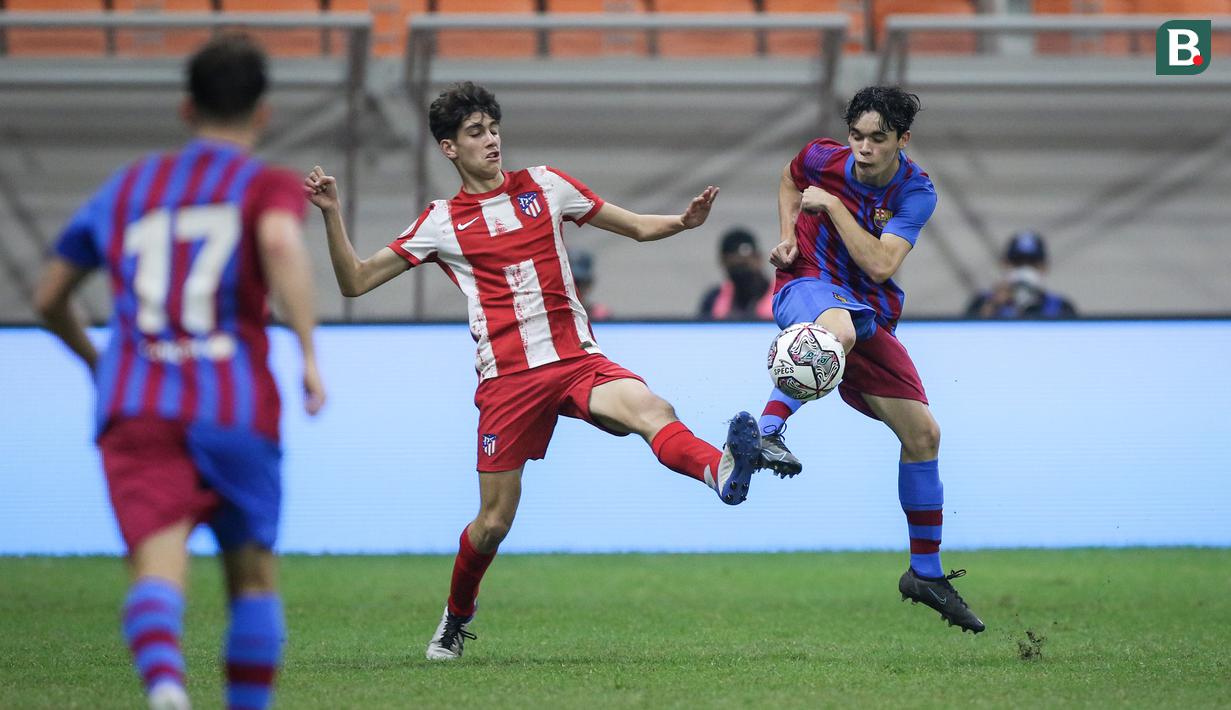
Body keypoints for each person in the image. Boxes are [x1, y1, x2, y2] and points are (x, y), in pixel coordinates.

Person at [302, 81, 762, 661]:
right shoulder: (442, 221)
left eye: (493, 128)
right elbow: (355, 282)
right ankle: (455, 618)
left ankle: (719, 472)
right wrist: (332, 215)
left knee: (652, 411)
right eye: (475, 133)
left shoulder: (546, 185)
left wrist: (684, 221)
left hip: (576, 360)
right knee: (493, 523)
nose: (491, 140)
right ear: (449, 148)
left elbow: (637, 226)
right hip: (509, 382)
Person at [33, 35, 325, 710]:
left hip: (139, 403)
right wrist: (308, 353)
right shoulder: (263, 185)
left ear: (185, 108)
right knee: (252, 579)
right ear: (263, 114)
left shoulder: (130, 186)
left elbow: (49, 296)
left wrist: (95, 358)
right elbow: (281, 242)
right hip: (235, 403)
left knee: (158, 573)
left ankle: (165, 685)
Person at [757, 86, 985, 633]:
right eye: (856, 135)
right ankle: (767, 429)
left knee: (923, 435)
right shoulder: (821, 156)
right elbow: (790, 179)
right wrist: (788, 237)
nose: (862, 148)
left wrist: (832, 205)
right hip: (806, 286)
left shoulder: (917, 192)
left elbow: (882, 264)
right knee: (835, 324)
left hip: (869, 313)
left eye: (876, 139)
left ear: (902, 140)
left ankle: (924, 574)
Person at [965, 230, 1077, 318]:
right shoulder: (982, 302)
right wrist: (993, 305)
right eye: (1017, 263)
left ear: (1044, 267)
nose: (1024, 269)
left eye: (1032, 264)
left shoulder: (1061, 307)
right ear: (1005, 265)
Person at [697, 227, 774, 320]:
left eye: (745, 265)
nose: (742, 274)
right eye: (736, 267)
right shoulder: (713, 299)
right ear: (723, 263)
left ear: (758, 258)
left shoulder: (783, 296)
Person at [568, 248, 611, 320]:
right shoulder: (548, 315)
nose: (574, 288)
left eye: (578, 283)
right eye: (568, 282)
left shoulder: (600, 316)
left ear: (589, 284)